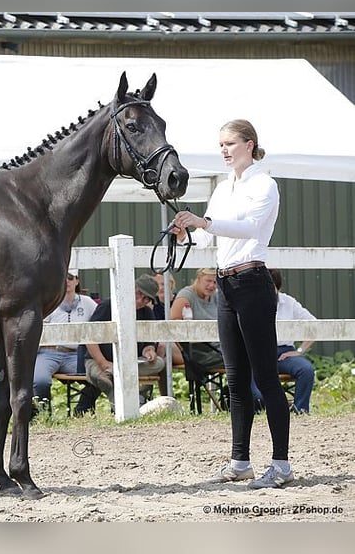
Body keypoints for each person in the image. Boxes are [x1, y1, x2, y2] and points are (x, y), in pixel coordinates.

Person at [171, 119, 293, 489]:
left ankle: (282, 465)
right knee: (236, 378)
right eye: (220, 145)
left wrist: (204, 222)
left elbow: (251, 229)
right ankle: (240, 460)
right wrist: (188, 230)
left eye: (229, 144)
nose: (224, 150)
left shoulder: (264, 184)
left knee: (265, 377)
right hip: (227, 283)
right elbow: (214, 243)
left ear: (249, 144)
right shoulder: (223, 189)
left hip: (253, 282)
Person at [74, 274, 165, 414]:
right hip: (98, 360)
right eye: (138, 293)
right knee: (101, 375)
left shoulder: (147, 312)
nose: (140, 300)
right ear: (131, 289)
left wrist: (149, 351)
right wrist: (103, 362)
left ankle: (118, 390)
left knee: (158, 363)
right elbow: (90, 338)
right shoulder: (108, 305)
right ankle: (126, 407)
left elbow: (149, 342)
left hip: (131, 363)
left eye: (146, 298)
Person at [31, 268, 99, 410]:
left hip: (76, 355)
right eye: (63, 277)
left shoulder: (88, 303)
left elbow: (100, 321)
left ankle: (82, 408)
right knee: (40, 380)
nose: (66, 282)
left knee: (98, 377)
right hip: (49, 352)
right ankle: (43, 413)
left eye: (70, 278)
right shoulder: (49, 301)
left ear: (77, 281)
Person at [251, 268, 316, 414]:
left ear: (278, 287)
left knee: (306, 370)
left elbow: (314, 325)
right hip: (257, 353)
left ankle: (300, 410)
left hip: (283, 353)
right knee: (256, 393)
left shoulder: (289, 302)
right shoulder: (252, 302)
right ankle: (264, 412)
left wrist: (299, 351)